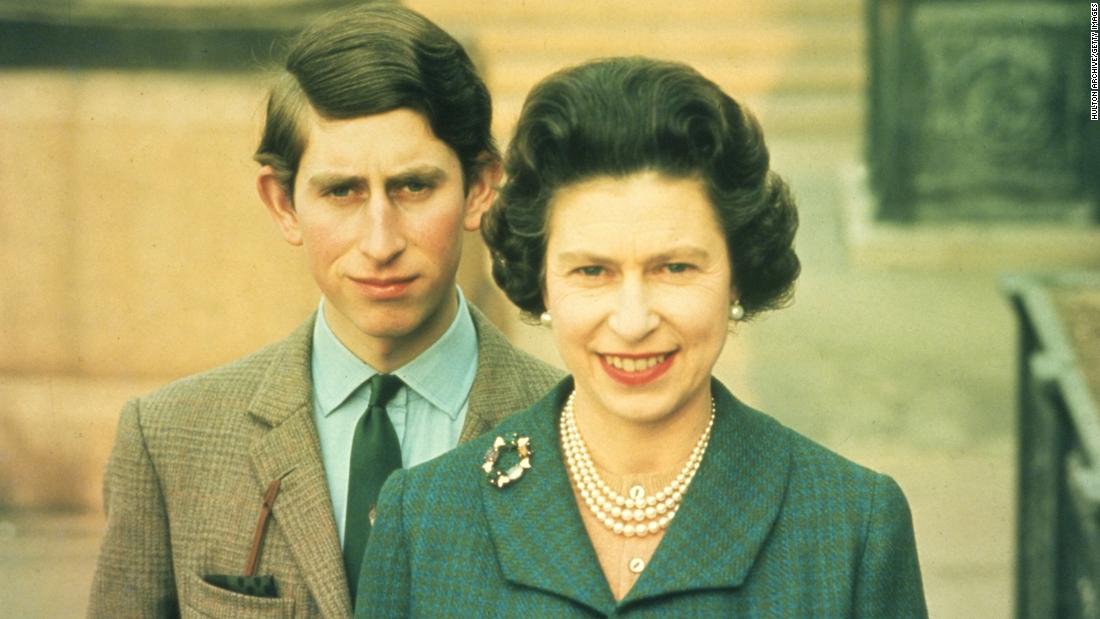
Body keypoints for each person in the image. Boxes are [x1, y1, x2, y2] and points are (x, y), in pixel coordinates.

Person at [356, 56, 928, 617]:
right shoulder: (425, 519)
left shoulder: (850, 524)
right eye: (592, 272)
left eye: (675, 268)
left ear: (737, 276)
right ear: (542, 282)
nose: (633, 322)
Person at [87, 4, 561, 617]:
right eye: (342, 192)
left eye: (414, 186)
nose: (380, 241)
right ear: (282, 203)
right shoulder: (171, 440)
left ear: (478, 188)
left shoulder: (577, 433)